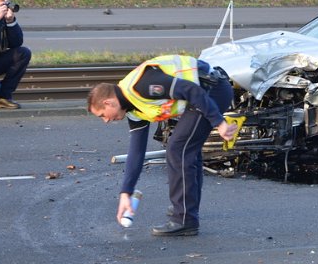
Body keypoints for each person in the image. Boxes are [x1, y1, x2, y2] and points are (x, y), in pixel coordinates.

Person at [87, 55, 237, 237]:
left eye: (102, 115)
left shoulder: (141, 87)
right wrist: (126, 192)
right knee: (187, 150)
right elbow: (136, 152)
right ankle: (187, 208)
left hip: (211, 91)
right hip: (203, 95)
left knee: (177, 148)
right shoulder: (133, 109)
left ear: (107, 103)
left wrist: (219, 123)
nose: (106, 121)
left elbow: (190, 89)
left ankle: (184, 219)